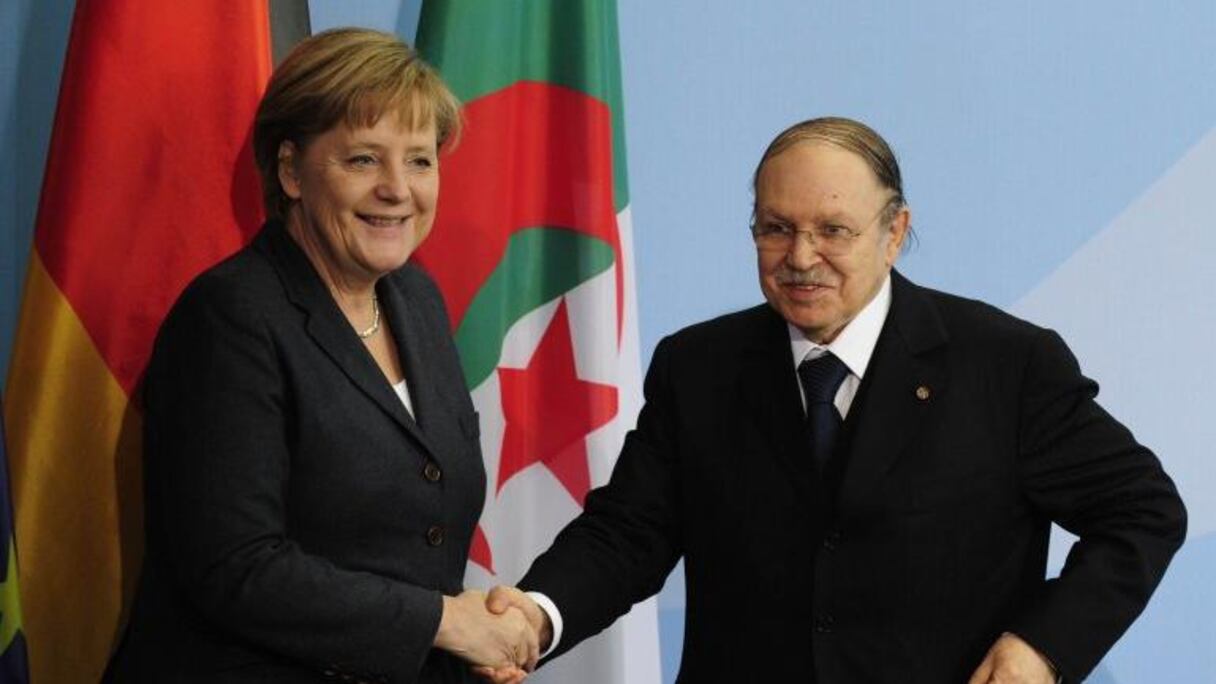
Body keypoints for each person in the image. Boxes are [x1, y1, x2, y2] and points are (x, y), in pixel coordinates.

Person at [484, 117, 1187, 683]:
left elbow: (1144, 511)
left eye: (833, 230)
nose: (800, 256)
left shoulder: (1005, 363)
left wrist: (1042, 647)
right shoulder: (698, 366)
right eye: (775, 227)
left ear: (895, 234)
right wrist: (537, 616)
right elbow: (629, 534)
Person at [106, 28, 537, 683]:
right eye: (364, 159)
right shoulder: (231, 315)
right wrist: (447, 624)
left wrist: (470, 643)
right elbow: (236, 565)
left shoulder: (415, 298)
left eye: (420, 160)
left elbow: (419, 538)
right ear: (290, 171)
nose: (398, 188)